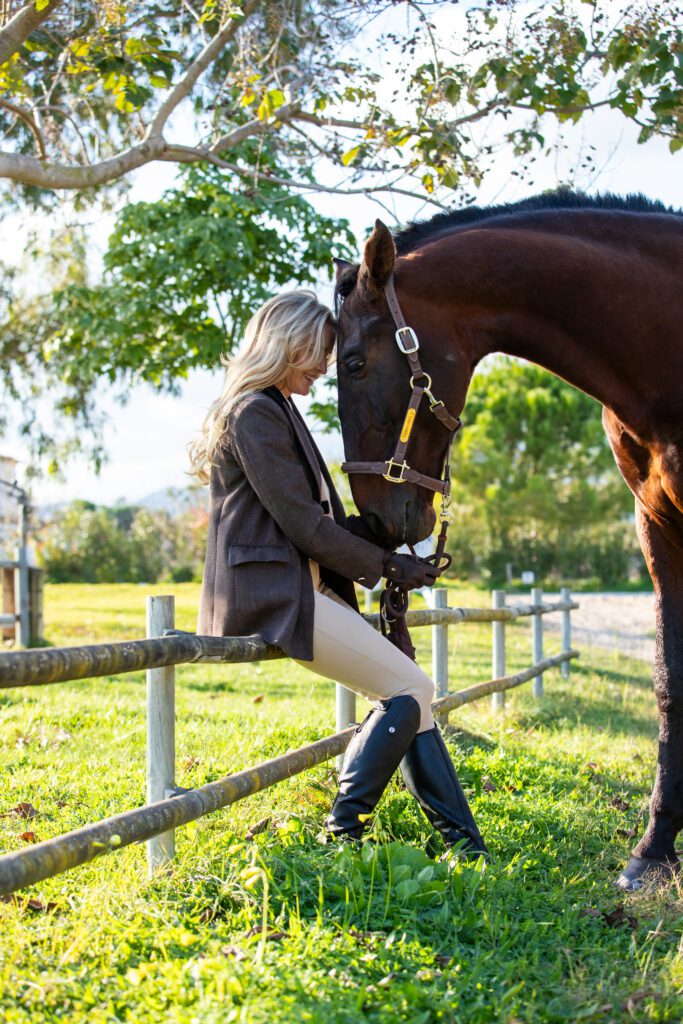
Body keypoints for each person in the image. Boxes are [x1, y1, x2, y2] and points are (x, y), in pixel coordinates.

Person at [188, 291, 486, 857]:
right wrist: (385, 566)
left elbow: (322, 517)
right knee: (410, 689)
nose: (326, 366)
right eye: (321, 352)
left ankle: (465, 846)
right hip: (274, 593)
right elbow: (303, 525)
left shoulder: (277, 409)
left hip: (303, 585)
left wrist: (384, 538)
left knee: (412, 696)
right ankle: (343, 832)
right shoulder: (254, 413)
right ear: (290, 344)